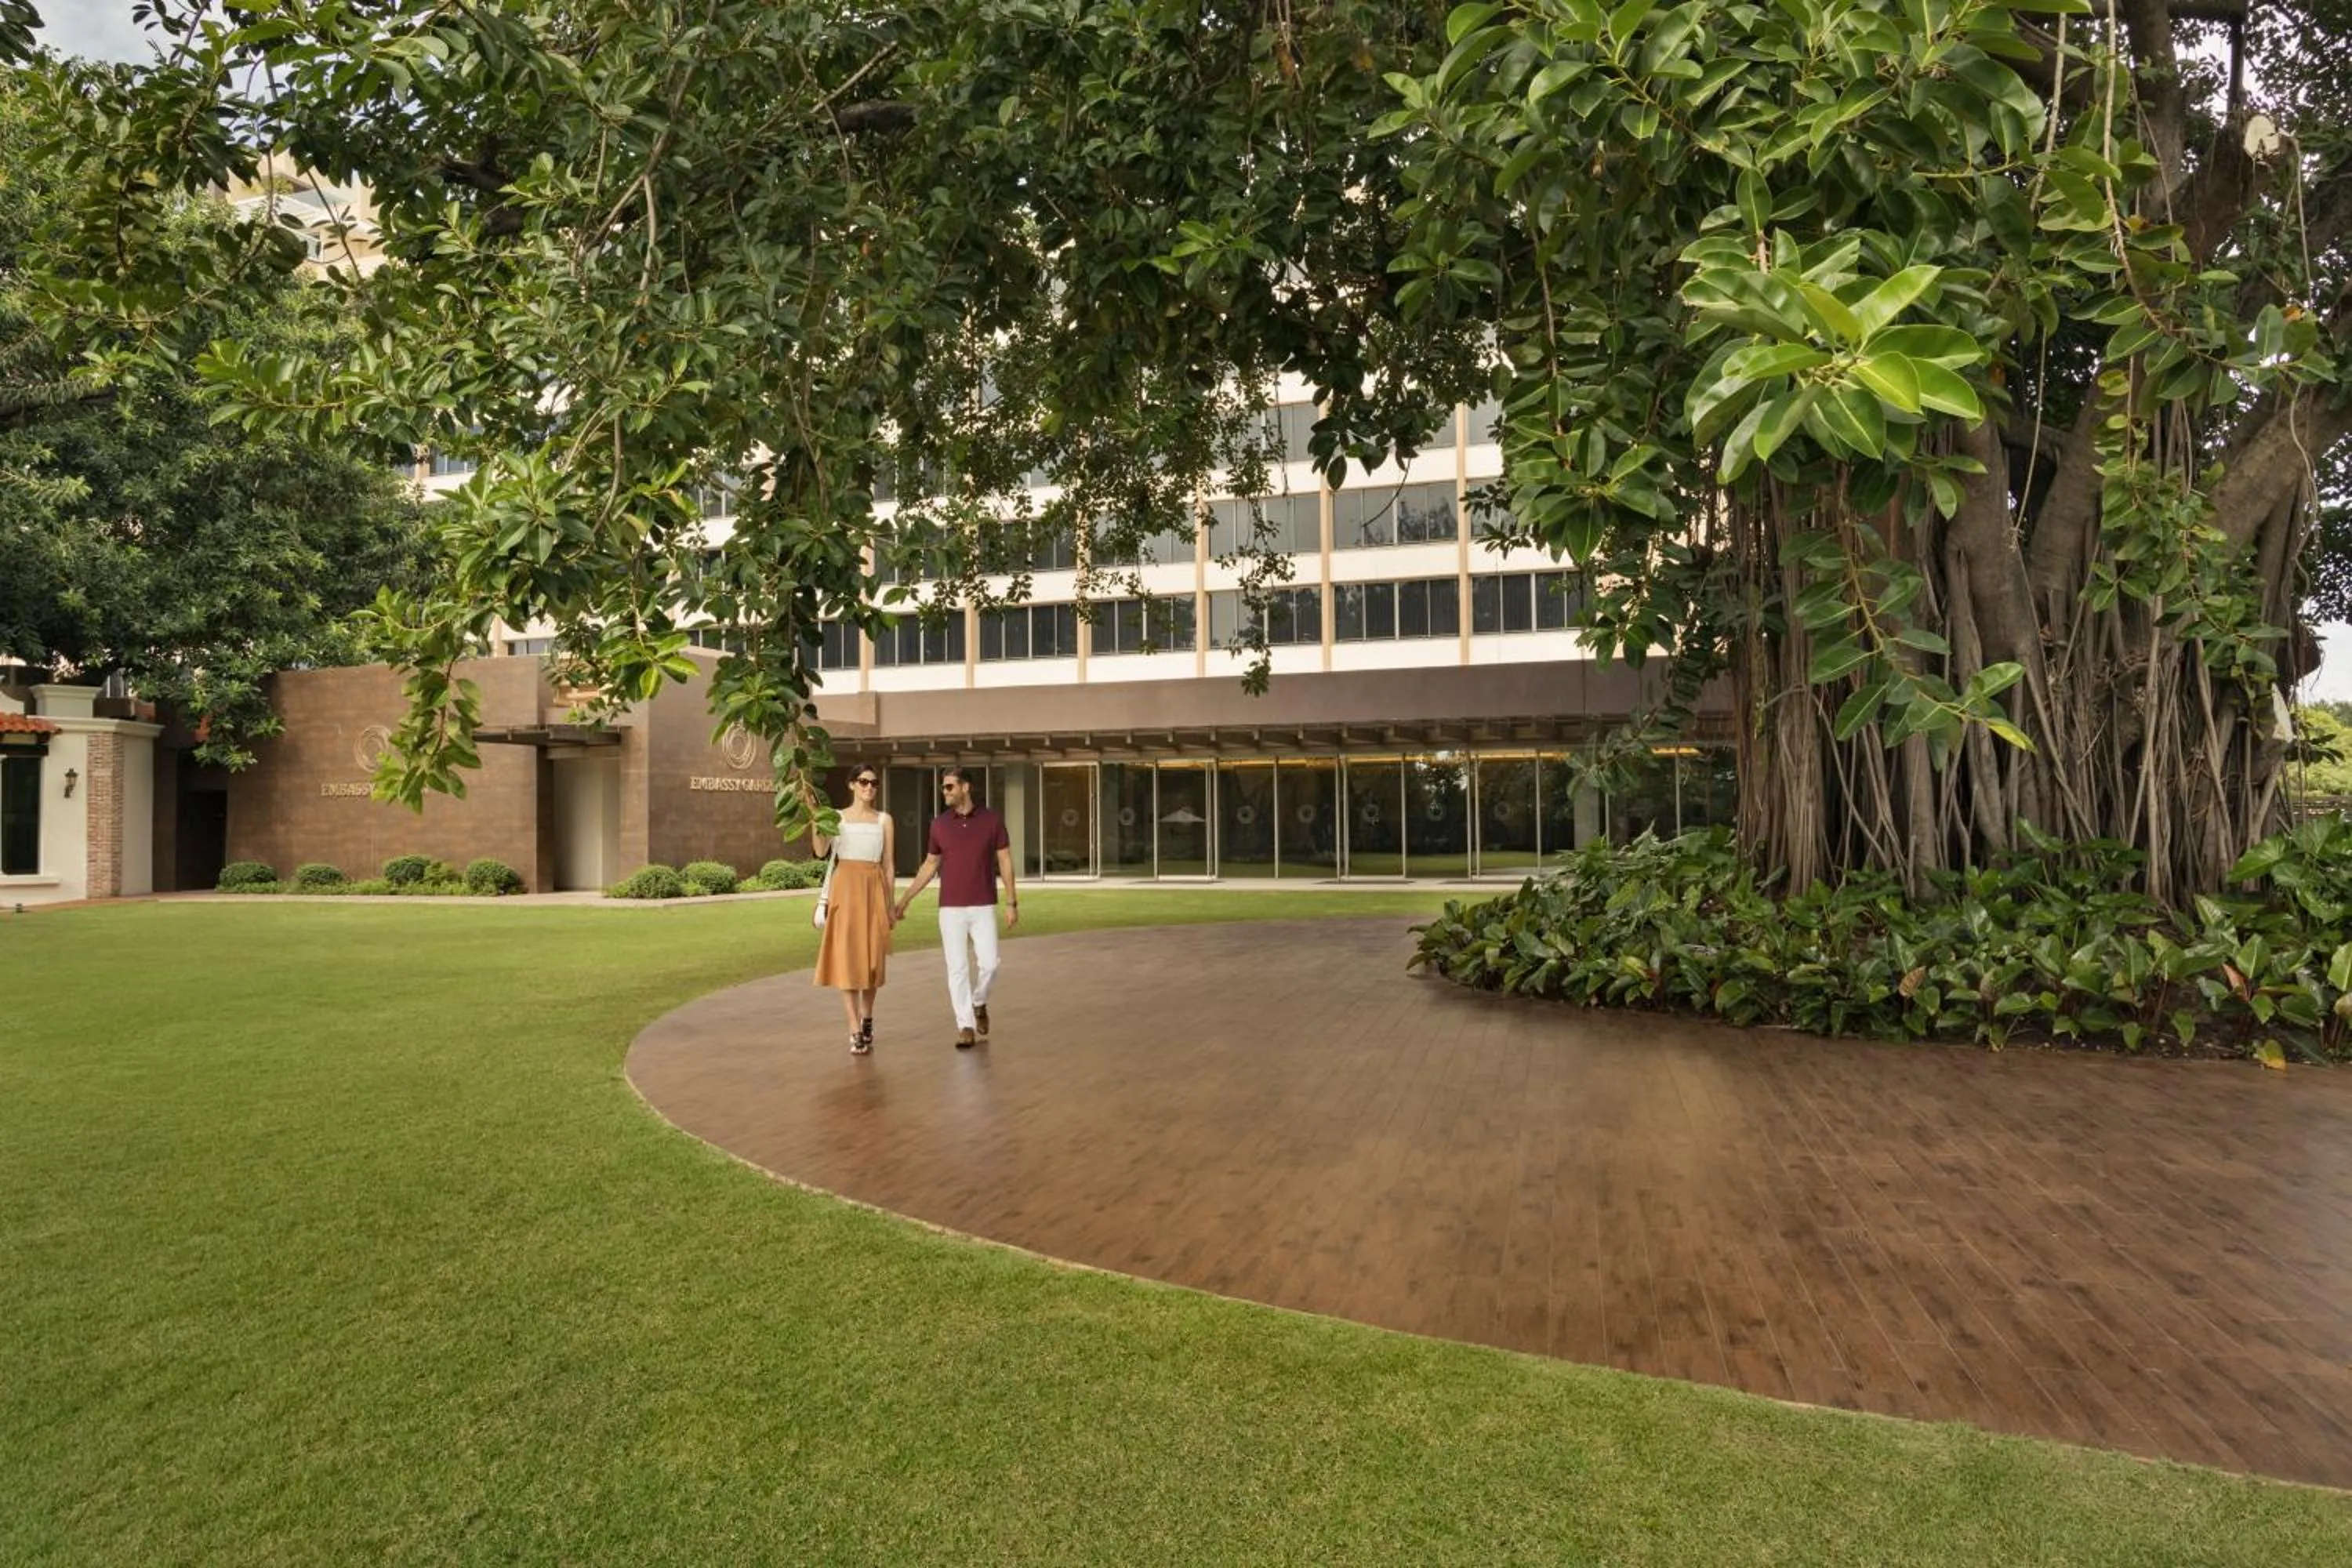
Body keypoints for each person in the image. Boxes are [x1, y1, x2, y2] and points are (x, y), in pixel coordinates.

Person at [893, 765, 1018, 1048]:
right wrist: (904, 899)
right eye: (943, 787)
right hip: (950, 909)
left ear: (966, 787)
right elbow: (930, 865)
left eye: (950, 787)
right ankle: (965, 1025)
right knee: (957, 968)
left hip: (984, 904)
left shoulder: (992, 820)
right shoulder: (939, 825)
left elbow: (1006, 861)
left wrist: (1011, 902)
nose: (945, 792)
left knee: (990, 964)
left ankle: (979, 1001)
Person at [811, 766, 897, 1054]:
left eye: (874, 782)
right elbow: (821, 851)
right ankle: (854, 1028)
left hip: (874, 889)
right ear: (851, 785)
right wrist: (815, 820)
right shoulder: (835, 818)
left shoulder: (884, 820)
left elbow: (888, 864)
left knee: (872, 962)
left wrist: (891, 904)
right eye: (863, 782)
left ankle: (867, 1016)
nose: (869, 787)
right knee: (847, 959)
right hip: (844, 889)